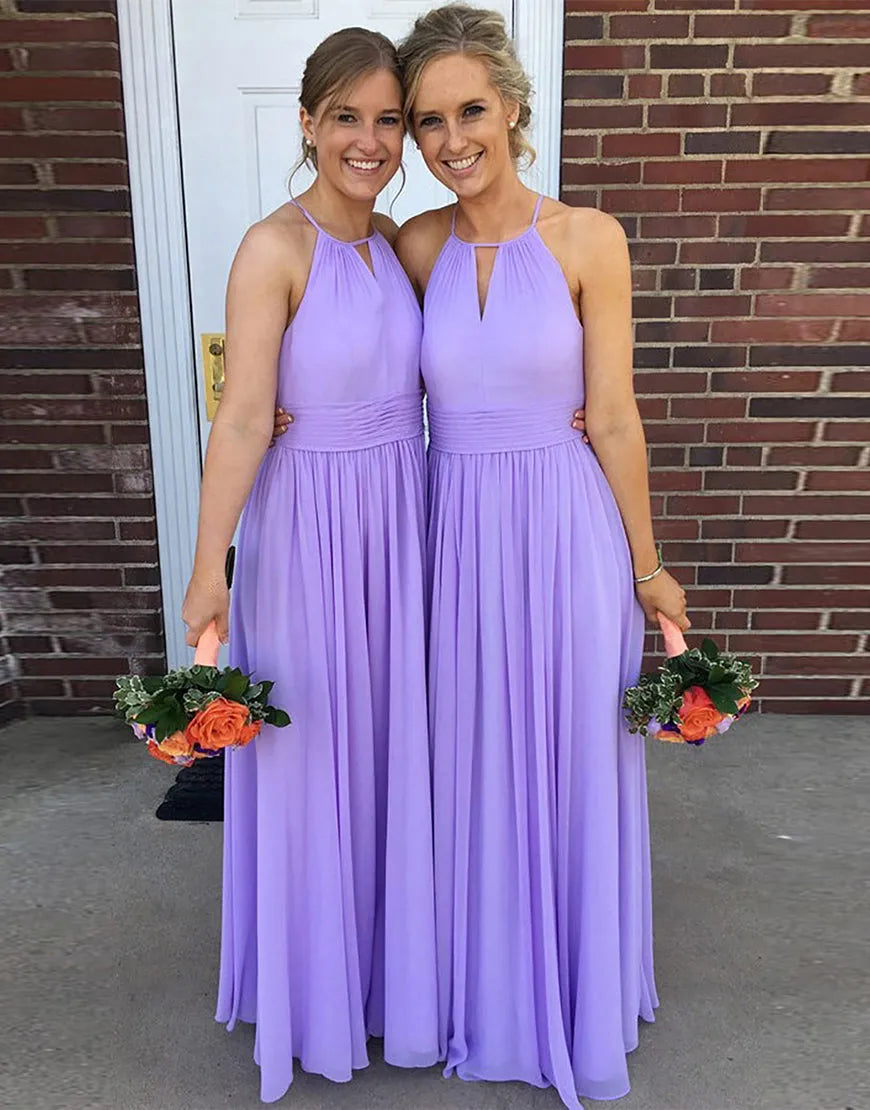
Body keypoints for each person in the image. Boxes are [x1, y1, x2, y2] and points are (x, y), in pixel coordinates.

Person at [393, 6, 690, 1107]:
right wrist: (291, 412)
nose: (451, 140)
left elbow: (612, 414)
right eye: (429, 121)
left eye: (470, 110)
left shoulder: (587, 238)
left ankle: (572, 993)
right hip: (454, 531)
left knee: (568, 756)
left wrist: (646, 566)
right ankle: (484, 991)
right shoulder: (414, 245)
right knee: (469, 757)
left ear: (514, 107)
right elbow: (359, 352)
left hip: (565, 531)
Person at [181, 28, 439, 1103]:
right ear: (307, 123)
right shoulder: (271, 249)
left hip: (402, 521)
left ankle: (391, 979)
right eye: (346, 118)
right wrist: (210, 567)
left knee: (393, 753)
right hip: (308, 531)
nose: (368, 141)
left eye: (388, 120)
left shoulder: (400, 246)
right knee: (315, 755)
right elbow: (244, 418)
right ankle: (317, 994)